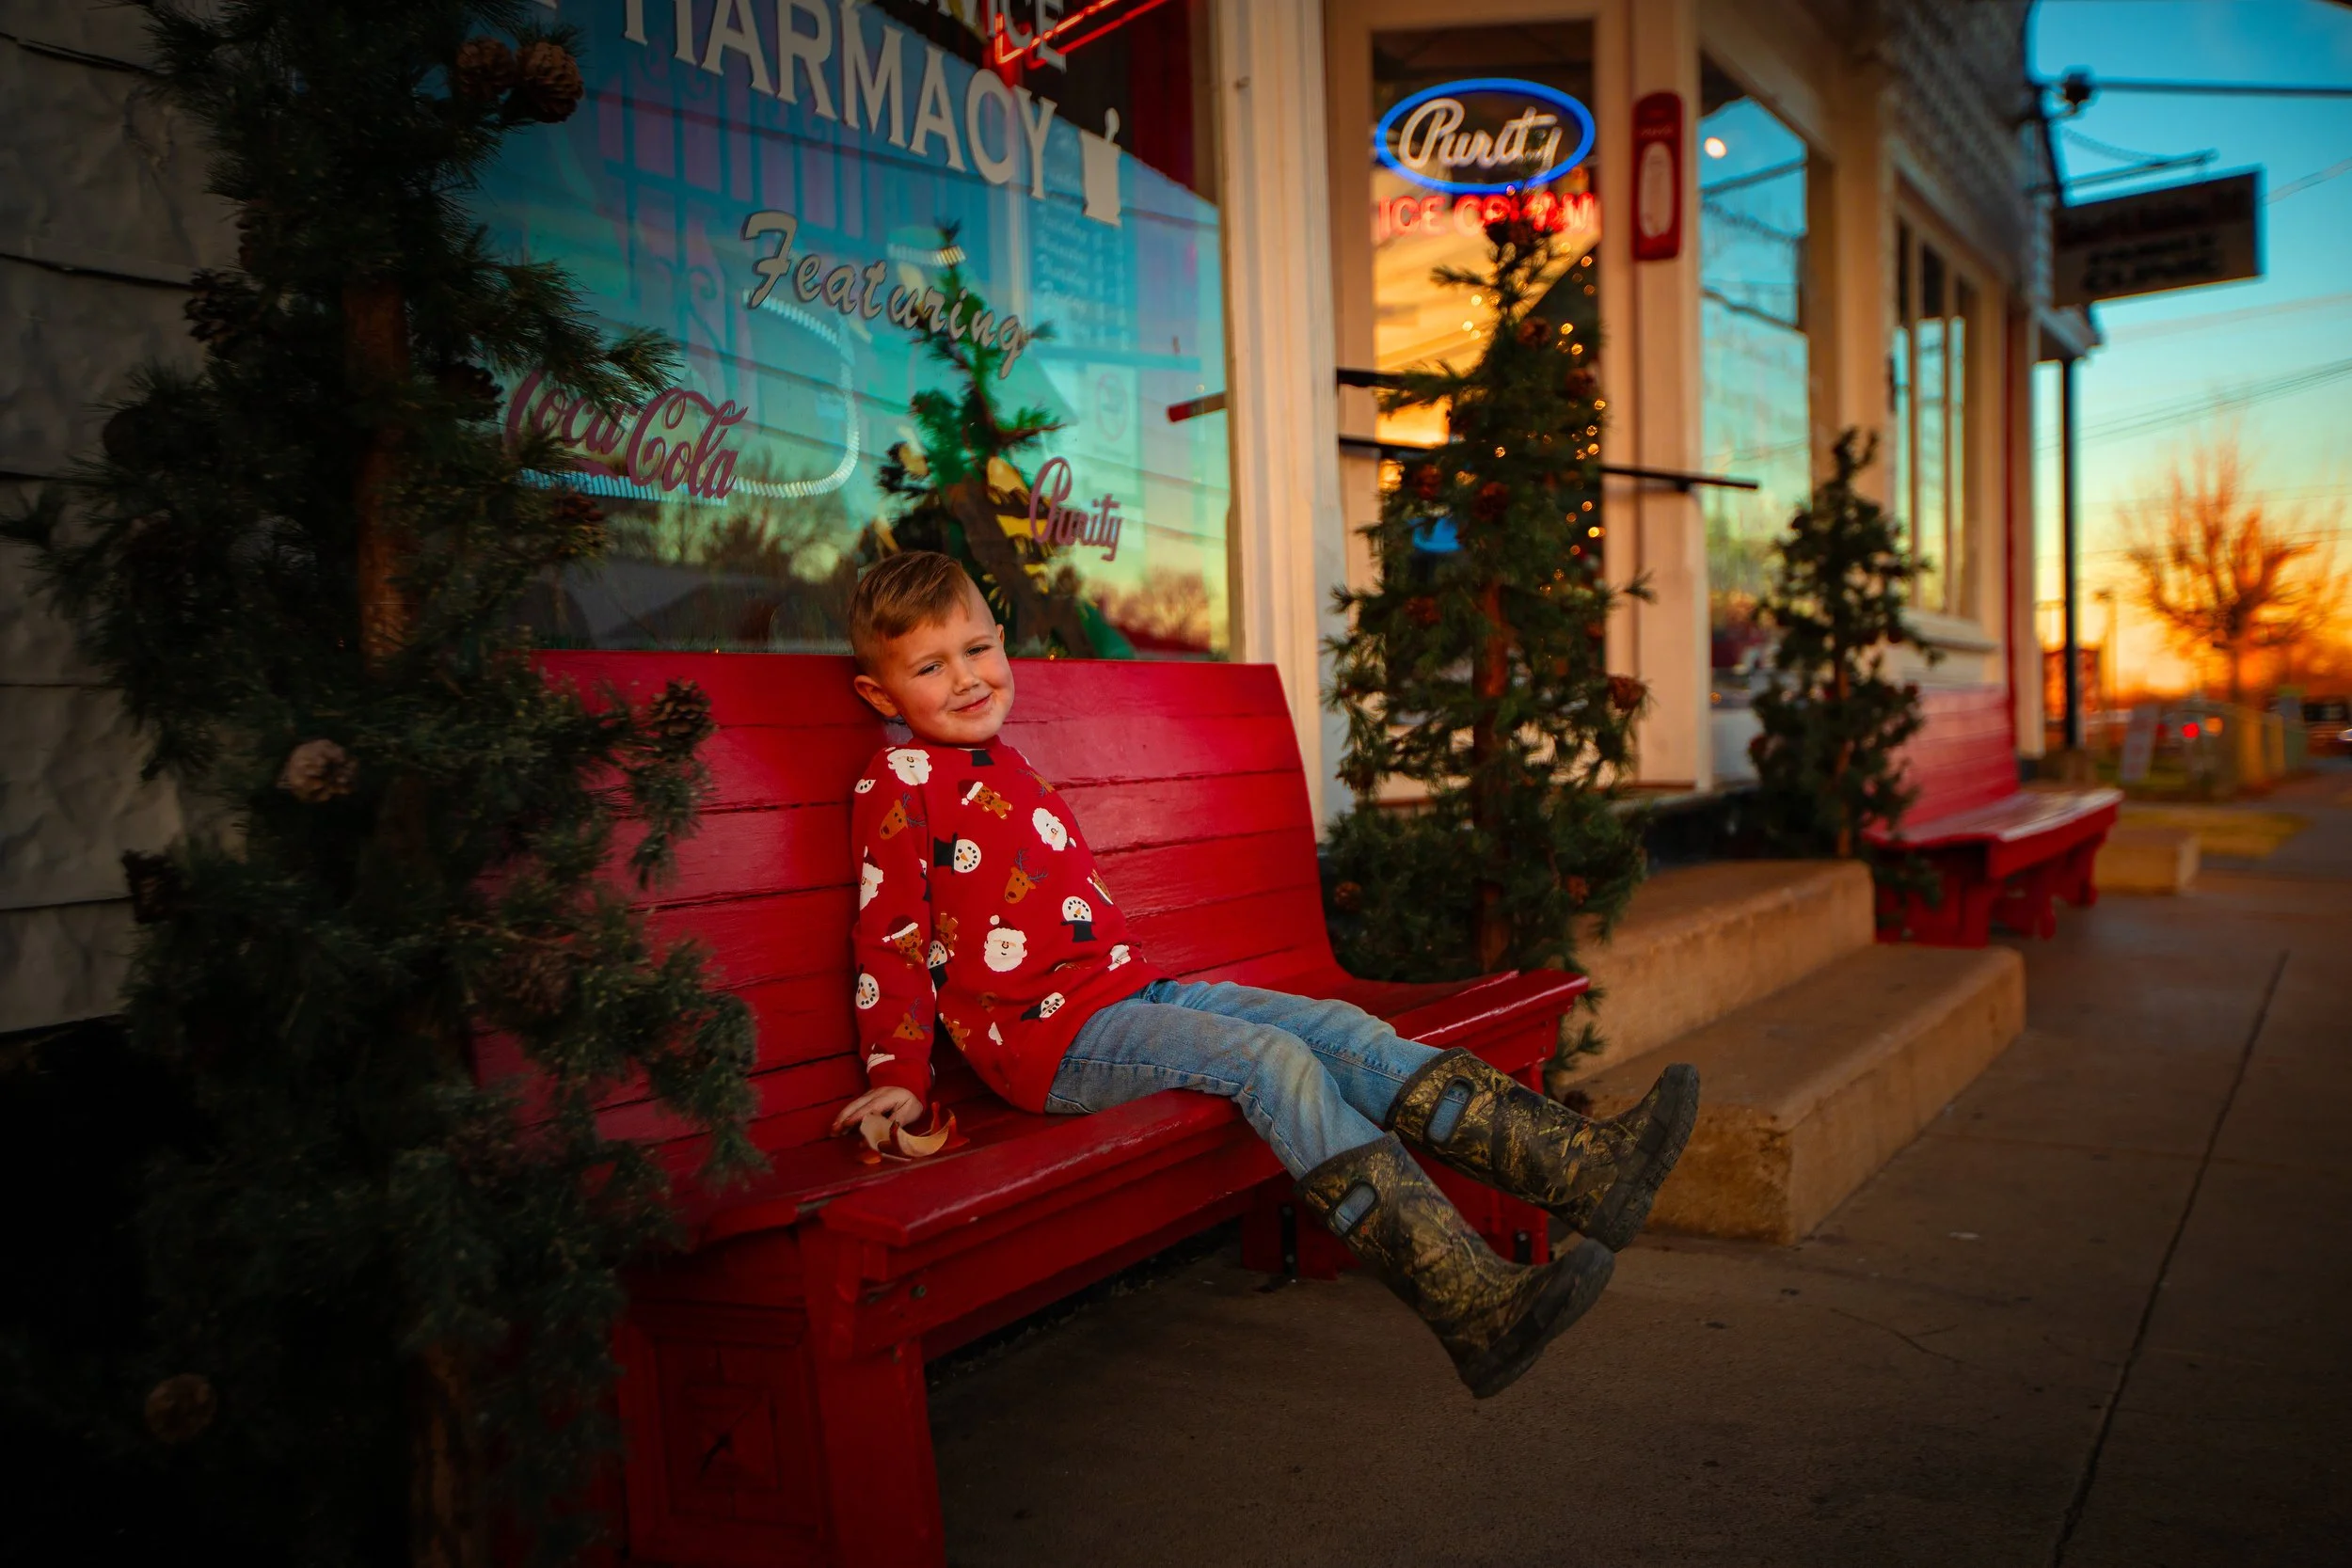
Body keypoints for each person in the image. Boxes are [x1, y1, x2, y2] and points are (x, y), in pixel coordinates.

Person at [828, 550, 1698, 1399]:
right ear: (880, 694)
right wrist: (898, 1076)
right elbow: (891, 938)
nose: (969, 678)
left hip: (1132, 997)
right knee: (1270, 1062)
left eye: (978, 649)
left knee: (1335, 1028)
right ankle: (1466, 1297)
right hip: (1052, 1041)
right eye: (932, 667)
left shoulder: (1007, 761)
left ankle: (1581, 1168)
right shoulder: (897, 780)